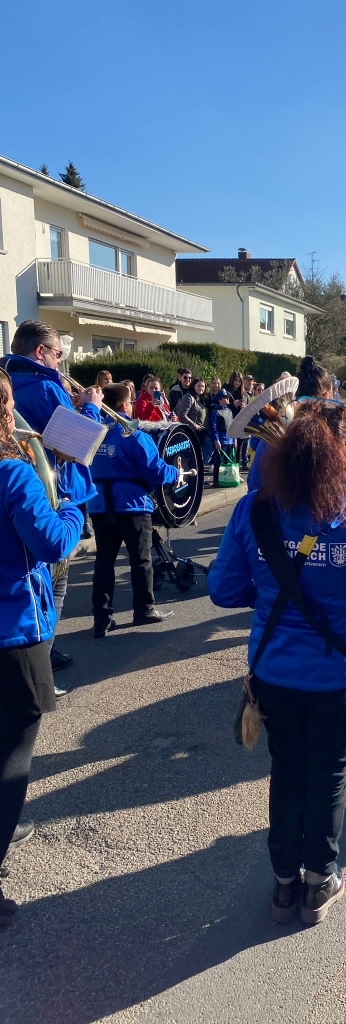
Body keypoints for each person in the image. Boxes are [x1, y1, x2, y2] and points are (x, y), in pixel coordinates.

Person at [208, 402, 346, 925]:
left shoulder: (252, 510)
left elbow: (222, 590)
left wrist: (271, 593)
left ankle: (283, 885)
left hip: (274, 669)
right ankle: (320, 880)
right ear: (343, 457)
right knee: (330, 773)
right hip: (341, 672)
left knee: (287, 770)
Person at [0, 368, 83, 924]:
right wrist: (73, 504)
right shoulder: (13, 474)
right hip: (13, 633)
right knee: (11, 758)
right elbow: (53, 542)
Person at [1, 320, 102, 685]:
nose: (60, 362)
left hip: (24, 496)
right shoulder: (45, 386)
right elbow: (79, 444)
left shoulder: (12, 380)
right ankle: (42, 654)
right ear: (40, 351)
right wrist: (91, 408)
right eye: (58, 354)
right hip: (50, 494)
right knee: (52, 577)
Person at [89, 384, 179, 636]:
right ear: (125, 405)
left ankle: (101, 619)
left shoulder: (93, 432)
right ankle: (144, 610)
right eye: (130, 402)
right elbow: (156, 470)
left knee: (104, 562)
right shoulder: (133, 434)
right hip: (132, 505)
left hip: (99, 505)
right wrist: (176, 473)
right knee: (141, 561)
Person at [247, 356, 346, 493]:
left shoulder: (278, 426)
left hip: (282, 503)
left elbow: (255, 482)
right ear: (326, 394)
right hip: (338, 502)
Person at [176, 378, 212, 464]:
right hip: (191, 434)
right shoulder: (188, 397)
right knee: (192, 461)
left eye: (203, 386)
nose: (201, 388)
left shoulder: (200, 400)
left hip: (201, 435)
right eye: (199, 385)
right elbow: (182, 415)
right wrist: (196, 426)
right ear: (193, 386)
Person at [210, 389, 236, 487]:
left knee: (227, 462)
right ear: (220, 400)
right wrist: (216, 440)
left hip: (230, 440)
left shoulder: (229, 411)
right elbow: (214, 427)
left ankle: (226, 479)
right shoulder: (215, 412)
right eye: (225, 397)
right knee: (218, 463)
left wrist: (234, 439)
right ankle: (216, 481)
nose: (228, 399)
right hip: (221, 440)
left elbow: (232, 426)